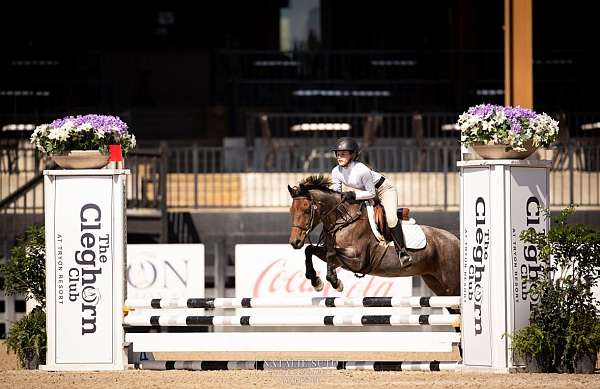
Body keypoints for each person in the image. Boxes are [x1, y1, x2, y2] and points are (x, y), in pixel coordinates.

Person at [330, 137, 412, 267]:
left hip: (384, 190)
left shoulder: (362, 170)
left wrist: (352, 194)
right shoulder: (336, 171)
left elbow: (372, 194)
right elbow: (336, 194)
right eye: (338, 154)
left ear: (352, 155)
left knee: (390, 218)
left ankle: (402, 251)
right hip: (365, 193)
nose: (339, 157)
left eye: (343, 154)